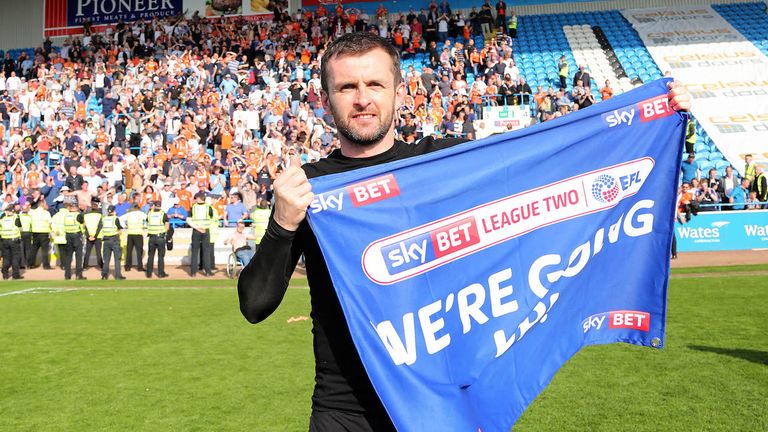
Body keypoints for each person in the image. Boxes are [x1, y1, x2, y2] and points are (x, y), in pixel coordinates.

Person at [237, 32, 692, 431]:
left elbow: (547, 156)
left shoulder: (446, 163)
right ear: (325, 99)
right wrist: (283, 224)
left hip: (443, 403)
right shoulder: (310, 190)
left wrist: (654, 114)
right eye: (347, 87)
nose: (362, 99)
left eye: (374, 84)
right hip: (345, 411)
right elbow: (254, 305)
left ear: (399, 92)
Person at [187, 192, 214, 277]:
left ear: (199, 198)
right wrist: (204, 228)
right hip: (205, 230)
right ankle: (208, 271)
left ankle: (193, 272)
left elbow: (188, 220)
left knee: (195, 251)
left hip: (196, 230)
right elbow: (212, 219)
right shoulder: (209, 207)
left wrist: (197, 228)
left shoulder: (193, 207)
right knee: (206, 251)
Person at [61, 200, 86, 280]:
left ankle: (67, 275)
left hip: (68, 236)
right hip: (76, 236)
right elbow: (83, 224)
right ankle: (79, 275)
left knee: (68, 256)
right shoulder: (78, 215)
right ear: (76, 207)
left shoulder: (66, 215)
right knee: (78, 256)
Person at [145, 201, 170, 278]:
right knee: (161, 256)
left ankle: (149, 274)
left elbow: (147, 222)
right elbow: (167, 227)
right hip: (160, 237)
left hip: (151, 237)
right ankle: (160, 273)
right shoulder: (163, 214)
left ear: (154, 205)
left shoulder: (150, 213)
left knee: (150, 256)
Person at [1, 205, 24, 280]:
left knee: (6, 258)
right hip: (14, 240)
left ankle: (5, 275)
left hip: (4, 240)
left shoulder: (2, 219)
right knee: (15, 257)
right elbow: (21, 228)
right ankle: (15, 275)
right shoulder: (16, 218)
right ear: (12, 211)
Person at [28, 201, 53, 269]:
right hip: (44, 232)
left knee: (34, 249)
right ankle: (46, 265)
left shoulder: (32, 212)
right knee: (44, 250)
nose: (46, 205)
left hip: (35, 232)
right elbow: (50, 222)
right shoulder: (46, 213)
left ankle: (30, 264)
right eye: (45, 204)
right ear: (42, 205)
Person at [124, 204, 146, 272]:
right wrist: (144, 225)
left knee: (129, 251)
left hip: (130, 234)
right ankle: (140, 267)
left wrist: (125, 225)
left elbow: (120, 219)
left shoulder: (129, 214)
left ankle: (127, 267)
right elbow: (148, 219)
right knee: (139, 252)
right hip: (138, 234)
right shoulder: (141, 214)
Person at [82, 203, 104, 270]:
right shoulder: (100, 215)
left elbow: (84, 227)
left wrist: (88, 236)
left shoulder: (86, 216)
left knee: (87, 252)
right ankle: (101, 267)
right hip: (97, 236)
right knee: (98, 252)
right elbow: (100, 226)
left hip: (89, 236)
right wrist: (95, 236)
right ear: (97, 208)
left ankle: (85, 267)